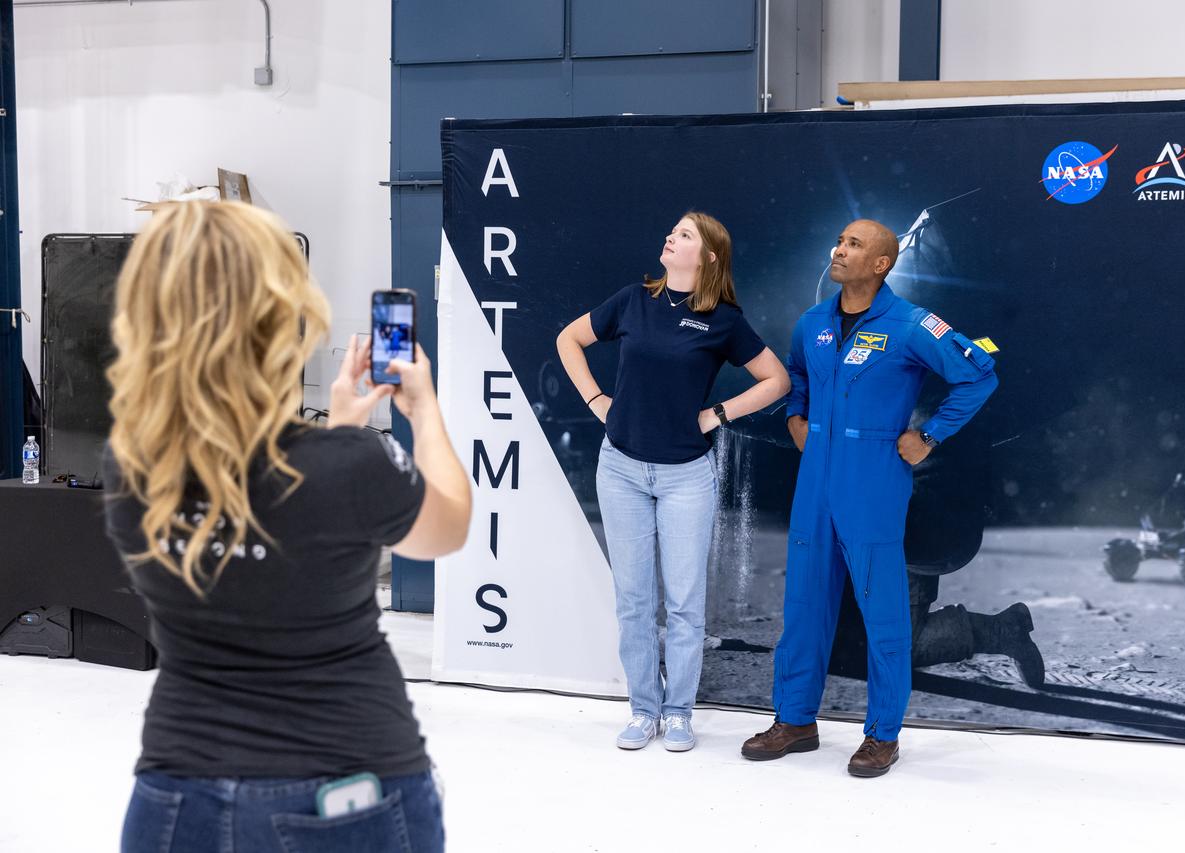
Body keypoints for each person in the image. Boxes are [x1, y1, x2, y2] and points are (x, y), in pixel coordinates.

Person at [103, 201, 471, 852]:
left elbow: (266, 500)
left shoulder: (132, 465)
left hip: (176, 796)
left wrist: (340, 432)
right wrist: (423, 410)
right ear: (279, 319)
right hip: (346, 789)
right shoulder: (349, 466)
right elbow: (447, 527)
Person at [741, 219, 998, 777]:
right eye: (839, 241)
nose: (839, 249)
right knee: (804, 606)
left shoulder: (911, 324)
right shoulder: (812, 323)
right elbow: (798, 375)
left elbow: (979, 375)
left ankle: (882, 734)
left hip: (875, 480)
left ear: (882, 263)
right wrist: (795, 417)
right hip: (815, 481)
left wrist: (930, 436)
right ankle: (795, 721)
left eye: (853, 244)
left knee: (884, 614)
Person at [557, 212, 789, 752]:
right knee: (634, 601)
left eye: (685, 234)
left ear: (708, 257)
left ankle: (679, 711)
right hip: (620, 469)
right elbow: (569, 339)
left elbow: (776, 380)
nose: (671, 236)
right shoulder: (633, 300)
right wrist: (596, 400)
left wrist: (718, 414)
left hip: (686, 476)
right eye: (673, 230)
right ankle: (644, 709)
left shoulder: (723, 320)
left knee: (684, 604)